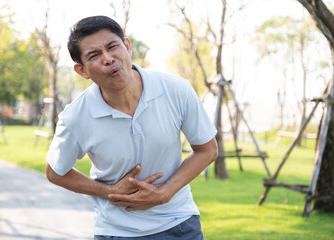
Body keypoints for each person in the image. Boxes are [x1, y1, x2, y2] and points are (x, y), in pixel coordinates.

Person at [45, 15, 218, 240]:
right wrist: (107, 191)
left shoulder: (176, 90)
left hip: (180, 225)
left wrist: (165, 192)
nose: (108, 59)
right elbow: (55, 171)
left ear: (126, 46)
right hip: (116, 232)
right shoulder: (75, 117)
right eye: (94, 55)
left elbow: (208, 149)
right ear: (82, 71)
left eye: (112, 47)